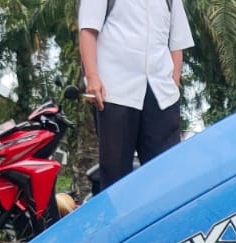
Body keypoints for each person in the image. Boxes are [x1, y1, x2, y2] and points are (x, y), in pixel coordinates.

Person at [77, 0, 194, 193]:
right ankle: (118, 223)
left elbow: (177, 43)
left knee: (167, 178)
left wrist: (174, 83)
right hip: (116, 92)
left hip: (161, 95)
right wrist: (92, 77)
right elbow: (88, 30)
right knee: (116, 180)